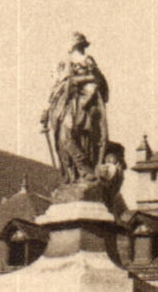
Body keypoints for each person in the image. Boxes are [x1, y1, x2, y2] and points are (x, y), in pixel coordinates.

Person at [41, 32, 109, 185]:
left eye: (72, 42)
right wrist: (46, 110)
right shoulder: (63, 63)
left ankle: (84, 170)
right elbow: (55, 86)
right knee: (62, 139)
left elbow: (98, 81)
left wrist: (77, 81)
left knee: (69, 136)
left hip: (81, 104)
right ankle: (74, 174)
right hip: (63, 104)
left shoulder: (87, 60)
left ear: (76, 44)